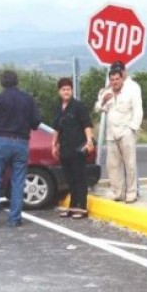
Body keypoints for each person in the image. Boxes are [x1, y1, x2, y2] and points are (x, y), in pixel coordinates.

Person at [0, 70, 42, 227]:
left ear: (2, 83)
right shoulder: (28, 99)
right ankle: (15, 218)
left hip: (2, 141)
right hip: (21, 143)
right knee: (18, 182)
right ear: (17, 81)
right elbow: (36, 122)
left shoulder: (0, 99)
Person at [95, 66, 142, 203]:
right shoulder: (106, 92)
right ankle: (118, 192)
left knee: (130, 164)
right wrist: (103, 101)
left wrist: (132, 128)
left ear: (122, 78)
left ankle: (131, 193)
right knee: (113, 165)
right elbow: (98, 108)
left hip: (126, 132)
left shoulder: (130, 91)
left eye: (117, 79)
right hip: (111, 133)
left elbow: (138, 110)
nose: (115, 82)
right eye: (112, 79)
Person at [53, 78, 94, 219]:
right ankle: (72, 206)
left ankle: (82, 207)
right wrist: (54, 144)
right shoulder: (58, 108)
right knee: (69, 179)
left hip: (78, 148)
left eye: (68, 89)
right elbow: (57, 129)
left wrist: (89, 141)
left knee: (80, 178)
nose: (66, 92)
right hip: (64, 149)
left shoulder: (78, 106)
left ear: (72, 90)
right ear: (59, 91)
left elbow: (87, 125)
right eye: (63, 89)